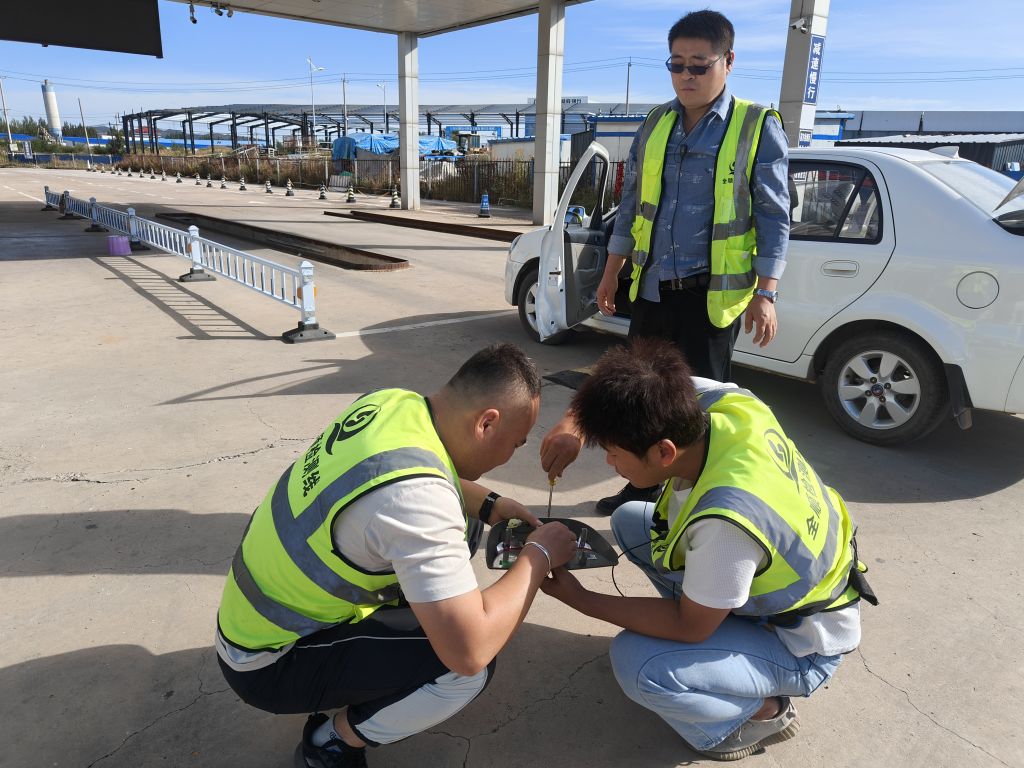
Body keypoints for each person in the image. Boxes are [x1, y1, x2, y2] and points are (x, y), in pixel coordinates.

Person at [215, 343, 578, 768]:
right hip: (268, 665)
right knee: (465, 669)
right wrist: (537, 555)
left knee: (469, 521)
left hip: (251, 620)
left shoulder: (392, 402)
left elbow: (403, 468)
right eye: (515, 443)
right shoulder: (416, 500)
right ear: (486, 423)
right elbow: (470, 649)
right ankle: (332, 741)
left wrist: (489, 503)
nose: (510, 455)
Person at [540, 339, 875, 761]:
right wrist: (573, 425)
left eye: (612, 452)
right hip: (776, 591)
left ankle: (756, 714)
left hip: (802, 646)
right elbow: (630, 385)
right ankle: (717, 636)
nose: (609, 462)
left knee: (637, 664)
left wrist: (581, 599)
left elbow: (689, 627)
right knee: (630, 519)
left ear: (664, 452)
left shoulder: (726, 523)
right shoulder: (727, 403)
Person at [573, 9, 791, 514]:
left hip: (710, 296)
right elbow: (632, 207)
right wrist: (611, 273)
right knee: (640, 398)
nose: (686, 76)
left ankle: (694, 503)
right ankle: (642, 490)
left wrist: (766, 292)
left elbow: (776, 218)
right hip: (651, 291)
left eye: (699, 64)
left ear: (728, 62)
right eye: (676, 65)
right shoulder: (657, 122)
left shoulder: (756, 126)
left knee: (697, 408)